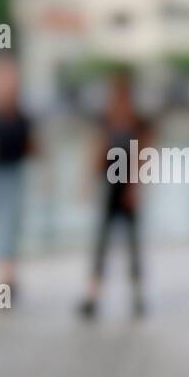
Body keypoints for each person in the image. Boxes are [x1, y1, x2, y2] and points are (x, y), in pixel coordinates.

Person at [78, 71, 150, 320]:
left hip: (127, 190)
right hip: (110, 189)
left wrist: (136, 187)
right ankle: (92, 297)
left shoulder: (138, 124)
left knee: (132, 246)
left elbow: (144, 156)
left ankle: (137, 297)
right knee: (102, 245)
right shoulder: (106, 123)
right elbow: (97, 153)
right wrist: (87, 183)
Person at [0, 56, 33, 309]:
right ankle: (6, 283)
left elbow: (32, 146)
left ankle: (7, 281)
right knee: (4, 230)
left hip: (13, 174)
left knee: (9, 229)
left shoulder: (18, 116)